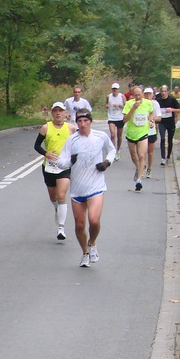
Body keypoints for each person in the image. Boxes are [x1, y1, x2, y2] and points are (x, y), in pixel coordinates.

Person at [54, 110, 116, 267]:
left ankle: (92, 243)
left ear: (90, 121)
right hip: (77, 189)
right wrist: (70, 161)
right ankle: (85, 253)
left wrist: (107, 163)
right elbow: (60, 162)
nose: (82, 124)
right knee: (80, 225)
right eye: (79, 121)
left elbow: (112, 149)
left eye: (85, 121)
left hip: (96, 186)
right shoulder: (72, 140)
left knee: (94, 221)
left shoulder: (100, 136)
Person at [33, 102, 76, 240]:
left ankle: (61, 228)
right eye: (55, 111)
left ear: (65, 113)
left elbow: (77, 145)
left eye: (61, 111)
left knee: (62, 195)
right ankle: (58, 208)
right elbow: (36, 146)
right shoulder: (46, 128)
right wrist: (46, 154)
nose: (58, 113)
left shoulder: (71, 128)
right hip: (49, 167)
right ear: (52, 113)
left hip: (64, 167)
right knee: (54, 197)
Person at [123, 85, 153, 191]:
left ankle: (139, 180)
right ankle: (139, 167)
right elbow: (125, 120)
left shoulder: (148, 103)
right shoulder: (128, 104)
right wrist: (133, 108)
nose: (138, 97)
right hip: (131, 133)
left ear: (143, 94)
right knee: (133, 155)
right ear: (132, 95)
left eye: (139, 95)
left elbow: (151, 112)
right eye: (135, 95)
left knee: (141, 155)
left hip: (143, 132)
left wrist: (151, 121)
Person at [156, 85, 180, 166]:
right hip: (162, 122)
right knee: (162, 138)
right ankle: (163, 158)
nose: (163, 93)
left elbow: (179, 110)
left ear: (167, 92)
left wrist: (172, 109)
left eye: (165, 91)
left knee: (170, 140)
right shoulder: (158, 100)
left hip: (170, 122)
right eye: (162, 91)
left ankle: (168, 156)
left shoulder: (172, 99)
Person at [143, 87, 161, 178]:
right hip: (141, 131)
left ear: (153, 95)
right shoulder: (141, 103)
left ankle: (149, 168)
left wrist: (152, 119)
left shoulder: (155, 104)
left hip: (151, 131)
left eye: (149, 94)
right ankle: (142, 166)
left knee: (150, 152)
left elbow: (159, 117)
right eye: (146, 94)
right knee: (142, 152)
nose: (147, 96)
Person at [105, 83, 126, 160]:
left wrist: (119, 106)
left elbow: (126, 106)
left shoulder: (122, 96)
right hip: (111, 117)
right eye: (113, 89)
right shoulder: (108, 96)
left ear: (118, 90)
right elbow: (106, 103)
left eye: (116, 89)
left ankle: (118, 150)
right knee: (113, 135)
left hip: (120, 117)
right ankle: (112, 151)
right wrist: (107, 105)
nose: (114, 90)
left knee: (119, 136)